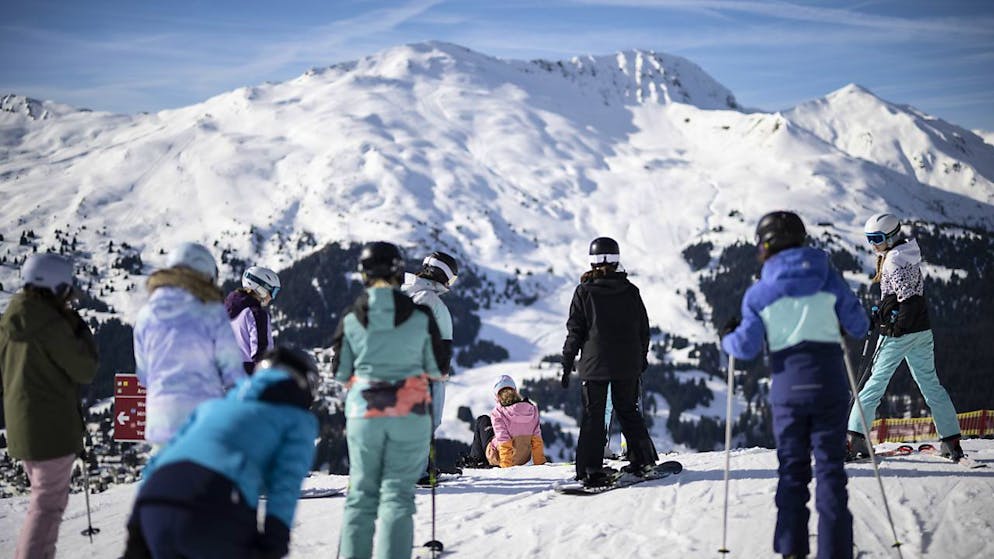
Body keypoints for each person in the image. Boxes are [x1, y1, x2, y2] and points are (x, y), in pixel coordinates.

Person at [721, 211, 869, 559]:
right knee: (831, 470)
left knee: (792, 471)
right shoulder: (828, 278)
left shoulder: (760, 293)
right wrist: (841, 324)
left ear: (766, 246)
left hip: (788, 389)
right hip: (830, 383)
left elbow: (743, 347)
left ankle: (791, 551)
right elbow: (860, 325)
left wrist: (726, 336)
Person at [123, 347, 320, 559]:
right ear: (304, 384)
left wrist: (137, 526)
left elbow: (159, 461)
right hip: (213, 505)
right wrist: (276, 540)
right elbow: (285, 484)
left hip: (154, 502)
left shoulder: (212, 407)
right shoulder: (297, 420)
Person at [333, 241, 448, 559]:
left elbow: (341, 374)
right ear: (400, 273)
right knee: (397, 497)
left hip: (364, 414)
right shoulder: (421, 315)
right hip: (409, 415)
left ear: (363, 274)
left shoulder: (352, 318)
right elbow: (437, 368)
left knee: (361, 497)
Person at [1, 253, 98, 559]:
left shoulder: (11, 318)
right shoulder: (51, 324)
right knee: (46, 507)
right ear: (55, 286)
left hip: (23, 426)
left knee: (41, 502)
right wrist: (78, 326)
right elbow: (85, 367)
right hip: (51, 430)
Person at [847, 213, 963, 461]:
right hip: (921, 331)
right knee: (931, 385)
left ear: (890, 235)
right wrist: (880, 316)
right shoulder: (905, 254)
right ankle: (951, 440)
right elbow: (902, 297)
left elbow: (908, 299)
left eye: (876, 238)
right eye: (869, 239)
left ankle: (854, 440)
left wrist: (895, 327)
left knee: (872, 387)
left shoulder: (892, 261)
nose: (873, 245)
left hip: (899, 335)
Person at [561, 236, 657, 485]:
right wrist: (641, 358)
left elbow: (575, 331)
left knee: (593, 415)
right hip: (627, 365)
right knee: (628, 411)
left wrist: (567, 361)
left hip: (594, 366)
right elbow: (643, 330)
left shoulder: (584, 292)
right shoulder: (630, 291)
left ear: (592, 261)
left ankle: (590, 468)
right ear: (617, 260)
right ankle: (643, 460)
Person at [133, 242, 246, 447]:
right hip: (202, 418)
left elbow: (144, 374)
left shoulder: (145, 314)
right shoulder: (212, 313)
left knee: (167, 475)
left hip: (160, 421)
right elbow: (232, 372)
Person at [402, 250, 457, 483]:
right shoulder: (431, 301)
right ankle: (418, 472)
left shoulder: (403, 293)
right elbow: (442, 342)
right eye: (451, 278)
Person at [225, 265, 281, 374]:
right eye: (272, 291)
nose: (272, 297)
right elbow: (261, 352)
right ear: (262, 289)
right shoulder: (256, 314)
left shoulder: (225, 311)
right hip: (249, 378)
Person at [481, 375, 547, 467]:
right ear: (515, 391)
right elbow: (537, 440)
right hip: (523, 459)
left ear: (497, 396)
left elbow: (504, 442)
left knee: (482, 421)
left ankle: (476, 461)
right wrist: (540, 462)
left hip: (500, 458)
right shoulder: (532, 409)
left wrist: (506, 467)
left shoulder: (498, 413)